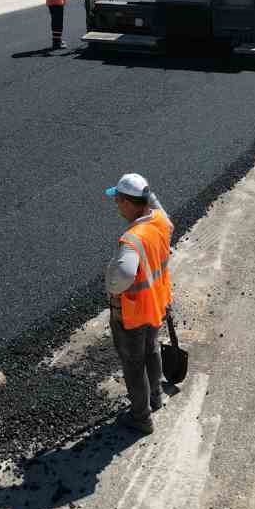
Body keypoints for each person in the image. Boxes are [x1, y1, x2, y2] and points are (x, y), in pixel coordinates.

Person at [104, 173, 173, 435]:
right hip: (156, 302)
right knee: (151, 350)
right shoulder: (160, 221)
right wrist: (148, 195)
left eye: (120, 200)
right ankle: (155, 397)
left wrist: (109, 282)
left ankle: (141, 418)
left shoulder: (132, 240)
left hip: (132, 312)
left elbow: (122, 275)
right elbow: (163, 215)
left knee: (133, 365)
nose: (117, 205)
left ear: (131, 203)